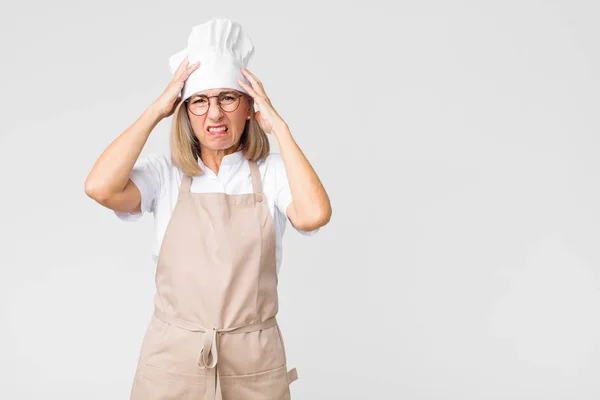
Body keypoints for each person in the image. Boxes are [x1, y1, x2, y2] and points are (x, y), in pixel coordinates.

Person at [84, 18, 331, 400]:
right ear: (184, 112)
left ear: (249, 108)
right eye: (199, 101)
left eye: (227, 98)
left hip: (253, 361)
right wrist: (156, 109)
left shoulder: (274, 174)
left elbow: (314, 214)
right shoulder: (164, 175)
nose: (214, 114)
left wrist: (278, 125)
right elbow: (99, 187)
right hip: (173, 361)